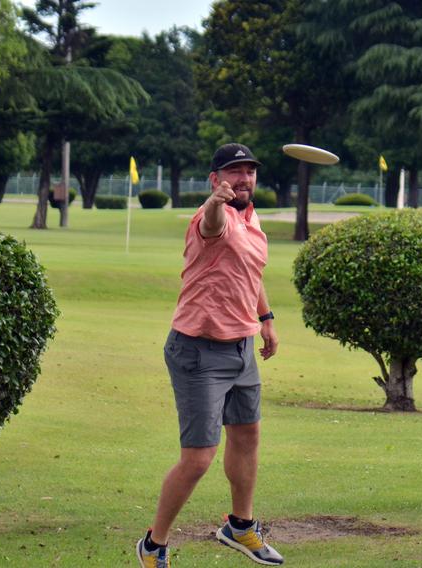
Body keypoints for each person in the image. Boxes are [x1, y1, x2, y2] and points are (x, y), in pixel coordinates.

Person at [136, 143, 284, 567]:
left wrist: (267, 317)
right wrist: (215, 203)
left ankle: (240, 526)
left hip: (241, 348)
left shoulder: (251, 219)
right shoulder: (211, 216)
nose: (244, 179)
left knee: (247, 436)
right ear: (215, 179)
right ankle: (154, 545)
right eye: (234, 172)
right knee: (199, 458)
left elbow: (250, 273)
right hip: (198, 352)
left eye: (249, 172)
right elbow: (212, 224)